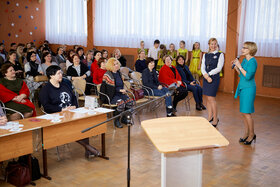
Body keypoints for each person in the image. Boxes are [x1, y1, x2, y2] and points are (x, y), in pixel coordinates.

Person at [39, 65, 99, 158]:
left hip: (71, 113)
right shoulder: (45, 89)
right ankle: (88, 147)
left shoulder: (64, 85)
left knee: (84, 124)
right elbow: (46, 106)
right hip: (58, 116)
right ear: (51, 75)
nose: (61, 75)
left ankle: (88, 149)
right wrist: (62, 109)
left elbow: (74, 97)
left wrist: (75, 106)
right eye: (58, 73)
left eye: (61, 73)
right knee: (71, 129)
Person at [232, 42, 258, 145]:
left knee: (247, 113)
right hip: (243, 87)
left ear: (250, 50)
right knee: (243, 112)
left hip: (249, 89)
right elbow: (242, 75)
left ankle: (252, 135)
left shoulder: (253, 62)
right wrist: (236, 68)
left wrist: (239, 66)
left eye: (244, 48)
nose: (242, 49)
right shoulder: (244, 60)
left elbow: (248, 77)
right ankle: (247, 133)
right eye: (242, 47)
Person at [100, 58, 134, 128]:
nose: (116, 65)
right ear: (110, 66)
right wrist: (119, 90)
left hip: (120, 94)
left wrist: (123, 90)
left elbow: (121, 85)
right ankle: (116, 120)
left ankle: (124, 118)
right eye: (114, 64)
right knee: (121, 103)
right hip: (111, 96)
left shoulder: (119, 73)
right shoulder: (107, 75)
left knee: (130, 102)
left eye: (117, 64)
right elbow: (109, 90)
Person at [201, 38, 224, 127]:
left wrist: (209, 75)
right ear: (209, 45)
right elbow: (203, 67)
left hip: (214, 78)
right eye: (211, 44)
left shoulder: (220, 54)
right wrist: (205, 75)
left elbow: (219, 68)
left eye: (215, 44)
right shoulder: (205, 55)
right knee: (207, 98)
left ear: (217, 45)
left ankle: (215, 119)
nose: (213, 46)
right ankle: (209, 117)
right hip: (206, 78)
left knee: (212, 99)